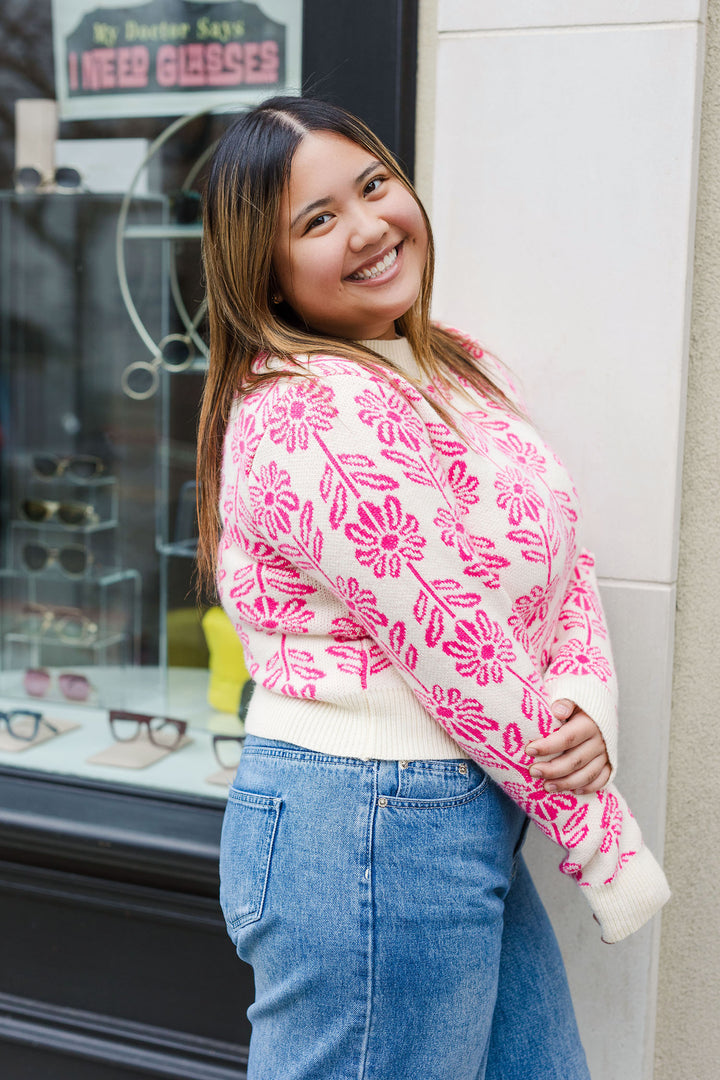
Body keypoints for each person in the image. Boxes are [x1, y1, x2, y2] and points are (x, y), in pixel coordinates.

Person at [196, 95, 670, 1080]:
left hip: (459, 805)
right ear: (267, 273)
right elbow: (455, 634)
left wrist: (585, 703)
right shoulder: (303, 416)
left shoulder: (455, 369)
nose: (369, 226)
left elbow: (559, 552)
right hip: (368, 821)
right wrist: (602, 840)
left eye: (372, 184)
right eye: (317, 220)